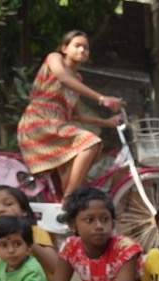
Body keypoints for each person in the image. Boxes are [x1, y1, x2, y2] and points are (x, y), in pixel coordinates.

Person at [16, 30, 122, 195]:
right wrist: (101, 98)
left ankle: (62, 204)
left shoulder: (77, 80)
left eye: (85, 48)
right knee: (91, 143)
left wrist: (108, 122)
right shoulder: (54, 58)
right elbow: (63, 78)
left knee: (72, 174)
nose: (82, 51)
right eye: (77, 46)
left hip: (58, 126)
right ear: (64, 48)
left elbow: (76, 115)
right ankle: (69, 199)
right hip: (39, 122)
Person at [0, 184, 60, 281]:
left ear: (24, 211)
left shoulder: (35, 231)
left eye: (8, 204)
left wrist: (28, 239)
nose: (1, 209)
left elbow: (56, 268)